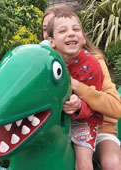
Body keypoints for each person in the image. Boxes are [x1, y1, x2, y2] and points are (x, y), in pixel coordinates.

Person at [41, 4, 121, 170]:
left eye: (74, 29)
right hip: (57, 127)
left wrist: (77, 86)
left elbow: (115, 108)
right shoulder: (44, 62)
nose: (69, 33)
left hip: (97, 125)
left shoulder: (93, 63)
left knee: (111, 163)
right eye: (45, 29)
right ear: (50, 39)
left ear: (82, 36)